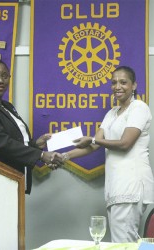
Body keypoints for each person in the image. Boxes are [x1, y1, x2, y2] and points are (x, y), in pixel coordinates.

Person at [61, 66, 154, 242]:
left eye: (123, 82)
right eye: (113, 83)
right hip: (116, 185)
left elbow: (125, 143)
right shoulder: (112, 113)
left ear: (134, 85)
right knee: (126, 241)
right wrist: (65, 157)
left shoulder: (139, 108)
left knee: (124, 242)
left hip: (131, 183)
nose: (117, 86)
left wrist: (93, 140)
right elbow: (93, 145)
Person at [0, 57, 62, 194]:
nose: (0, 80)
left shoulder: (6, 106)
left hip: (11, 181)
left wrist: (35, 145)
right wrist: (40, 155)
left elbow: (14, 140)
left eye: (5, 76)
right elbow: (1, 143)